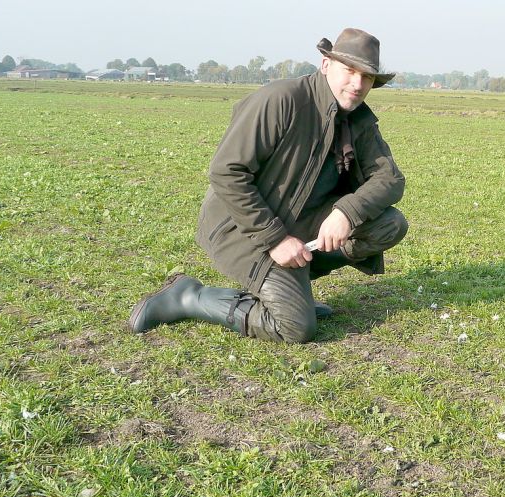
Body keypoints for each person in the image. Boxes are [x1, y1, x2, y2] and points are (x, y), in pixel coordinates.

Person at [128, 28, 407, 343]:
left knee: (388, 224)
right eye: (350, 71)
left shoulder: (357, 119)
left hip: (299, 221)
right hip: (242, 227)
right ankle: (189, 297)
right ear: (326, 64)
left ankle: (293, 285)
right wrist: (275, 239)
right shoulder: (282, 99)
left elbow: (390, 179)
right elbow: (226, 172)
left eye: (367, 77)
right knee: (294, 328)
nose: (357, 84)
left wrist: (345, 212)